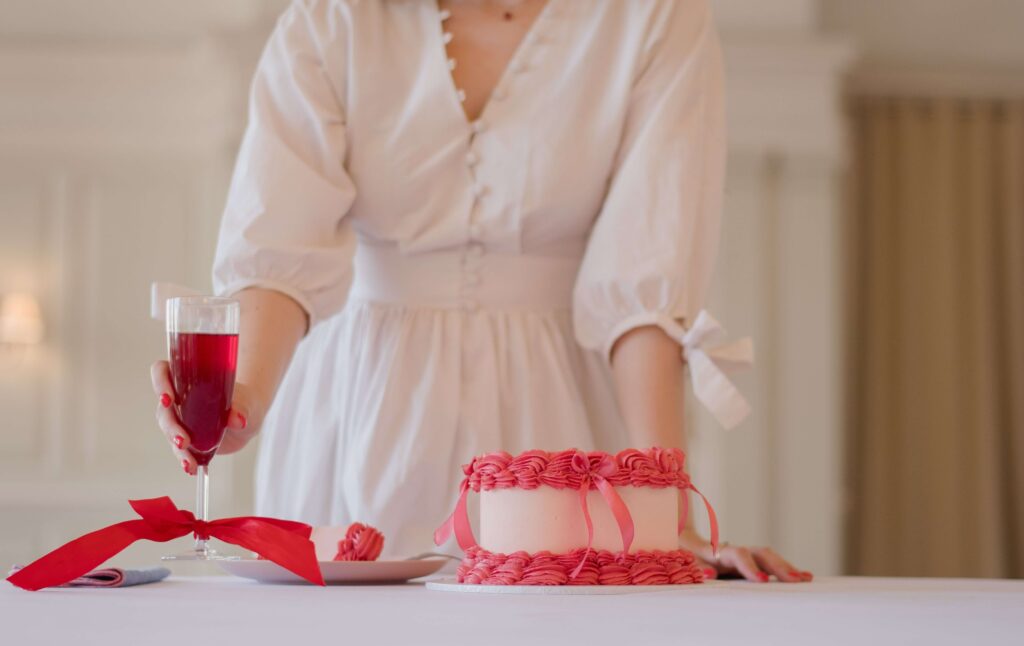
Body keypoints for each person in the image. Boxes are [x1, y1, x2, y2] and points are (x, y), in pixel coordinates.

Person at [151, 0, 811, 582]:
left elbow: (646, 283)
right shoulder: (332, 20)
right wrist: (245, 401)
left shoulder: (654, 16)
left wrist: (665, 517)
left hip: (556, 422)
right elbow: (277, 254)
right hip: (359, 405)